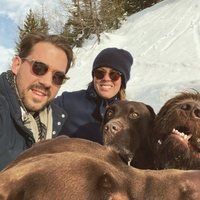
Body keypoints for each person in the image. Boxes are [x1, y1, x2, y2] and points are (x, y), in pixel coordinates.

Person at [0, 32, 73, 170]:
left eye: (57, 77)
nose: (47, 82)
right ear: (17, 65)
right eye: (39, 68)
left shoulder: (53, 122)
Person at [54, 47, 133, 144]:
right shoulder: (68, 102)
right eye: (100, 73)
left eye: (114, 75)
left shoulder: (129, 114)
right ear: (94, 76)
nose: (106, 78)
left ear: (123, 81)